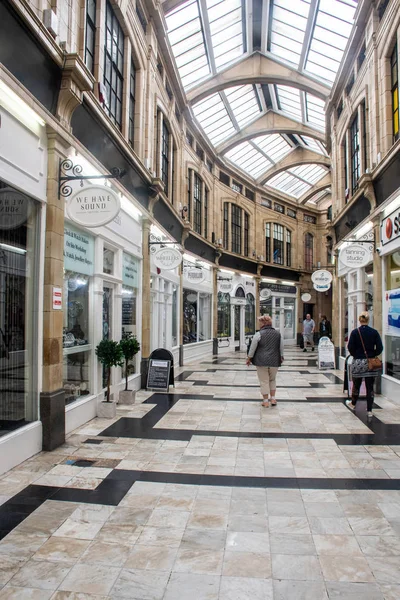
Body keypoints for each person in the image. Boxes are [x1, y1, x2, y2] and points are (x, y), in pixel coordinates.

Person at [346, 311, 383, 418]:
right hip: (370, 362)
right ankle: (370, 410)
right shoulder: (374, 332)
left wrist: (355, 355)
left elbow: (350, 347)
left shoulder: (354, 332)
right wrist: (373, 354)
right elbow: (380, 348)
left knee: (356, 385)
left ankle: (353, 404)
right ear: (368, 320)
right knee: (370, 387)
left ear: (359, 320)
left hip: (358, 362)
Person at [246, 315, 284, 408]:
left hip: (261, 361)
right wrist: (281, 357)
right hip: (275, 361)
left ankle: (266, 401)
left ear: (263, 323)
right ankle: (273, 398)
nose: (259, 324)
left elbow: (253, 347)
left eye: (259, 322)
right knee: (272, 379)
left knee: (264, 381)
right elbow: (281, 347)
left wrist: (249, 358)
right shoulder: (278, 334)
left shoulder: (259, 334)